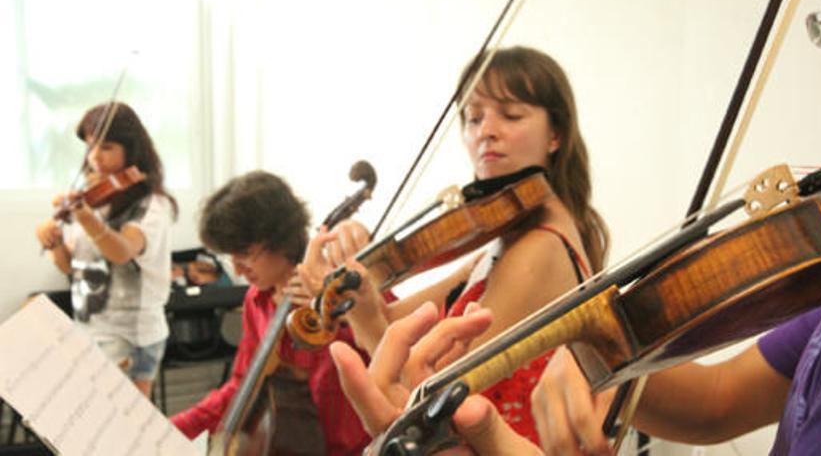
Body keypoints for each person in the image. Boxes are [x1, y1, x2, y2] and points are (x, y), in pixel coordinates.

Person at [332, 0, 821, 454]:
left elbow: (429, 366)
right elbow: (717, 400)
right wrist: (598, 352)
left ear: (556, 135)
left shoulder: (541, 245)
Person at [299, 45, 609, 446]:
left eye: (511, 115)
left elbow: (427, 391)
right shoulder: (501, 244)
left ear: (556, 135)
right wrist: (355, 288)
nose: (486, 131)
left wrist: (362, 317)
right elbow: (394, 326)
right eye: (473, 118)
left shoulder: (540, 249)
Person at [169, 171, 371, 456]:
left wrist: (348, 315)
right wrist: (172, 430)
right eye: (231, 257)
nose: (237, 270)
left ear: (281, 240)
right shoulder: (256, 300)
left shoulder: (343, 290)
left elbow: (390, 347)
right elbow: (242, 384)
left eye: (246, 255)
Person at [34, 102, 178, 398]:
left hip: (130, 335)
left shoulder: (151, 204)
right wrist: (55, 241)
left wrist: (84, 216)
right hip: (90, 329)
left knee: (123, 429)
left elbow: (123, 251)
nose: (94, 157)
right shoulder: (92, 200)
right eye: (90, 147)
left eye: (107, 147)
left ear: (132, 150)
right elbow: (71, 268)